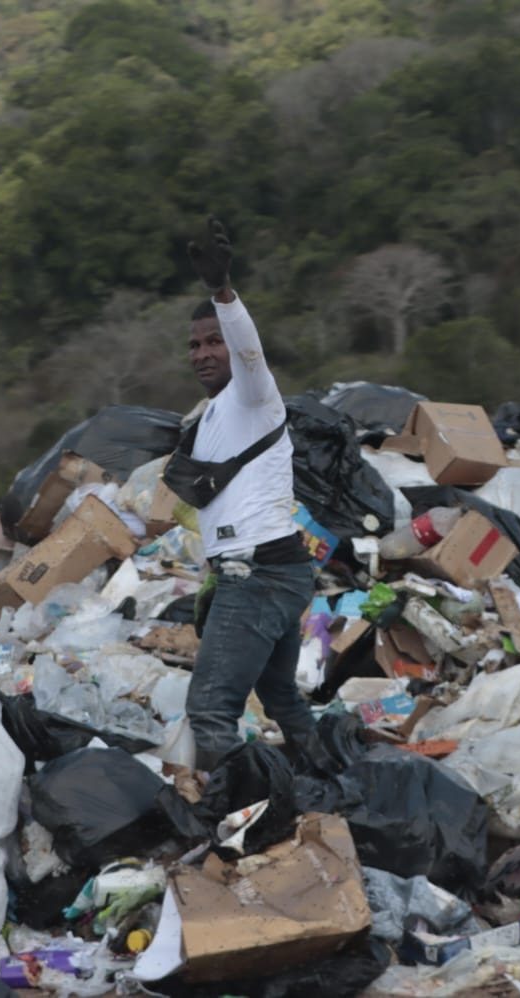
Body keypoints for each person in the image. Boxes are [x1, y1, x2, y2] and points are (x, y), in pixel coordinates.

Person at [169, 218, 333, 774]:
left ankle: (239, 822)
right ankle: (331, 780)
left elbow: (250, 353)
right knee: (281, 696)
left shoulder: (253, 394)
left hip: (259, 576)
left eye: (213, 340)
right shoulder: (211, 415)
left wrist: (224, 295)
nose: (201, 353)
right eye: (193, 345)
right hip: (273, 571)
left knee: (210, 710)